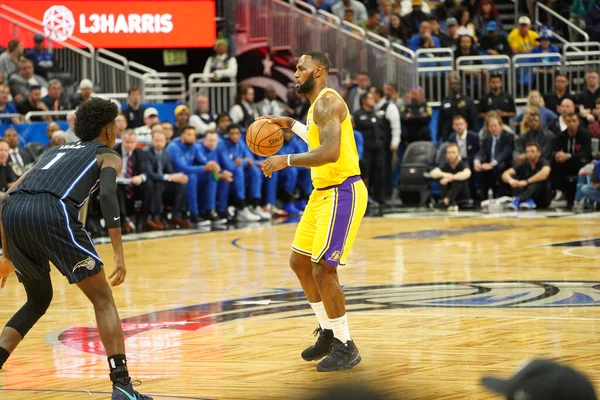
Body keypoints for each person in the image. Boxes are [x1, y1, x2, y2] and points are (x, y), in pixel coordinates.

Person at [0, 98, 152, 399]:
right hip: (53, 212)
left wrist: (6, 255)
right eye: (116, 128)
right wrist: (119, 253)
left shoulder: (53, 151)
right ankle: (122, 386)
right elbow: (108, 196)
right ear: (108, 131)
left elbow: (7, 194)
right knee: (102, 299)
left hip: (13, 213)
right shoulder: (108, 155)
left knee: (38, 299)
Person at [260, 51, 367, 372]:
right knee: (300, 263)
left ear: (318, 71)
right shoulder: (315, 106)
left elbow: (330, 152)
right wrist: (290, 124)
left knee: (323, 270)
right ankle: (328, 331)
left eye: (300, 68)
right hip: (322, 194)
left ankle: (345, 345)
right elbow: (318, 136)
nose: (295, 73)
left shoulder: (327, 102)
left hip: (342, 191)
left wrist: (286, 159)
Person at [503, 142, 552, 209]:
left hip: (542, 197)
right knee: (515, 177)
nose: (529, 154)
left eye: (532, 151)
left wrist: (527, 182)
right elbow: (505, 174)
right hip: (527, 195)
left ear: (539, 153)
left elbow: (545, 173)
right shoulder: (524, 164)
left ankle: (519, 199)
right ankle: (526, 200)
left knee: (539, 180)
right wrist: (511, 181)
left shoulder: (544, 162)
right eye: (527, 152)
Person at [430, 142, 472, 210]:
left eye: (453, 152)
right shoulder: (445, 164)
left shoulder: (463, 163)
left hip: (462, 195)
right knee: (441, 179)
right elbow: (433, 173)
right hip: (448, 191)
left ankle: (447, 201)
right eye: (449, 153)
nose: (451, 155)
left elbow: (467, 173)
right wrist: (445, 175)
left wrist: (451, 178)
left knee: (458, 179)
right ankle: (449, 201)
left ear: (458, 153)